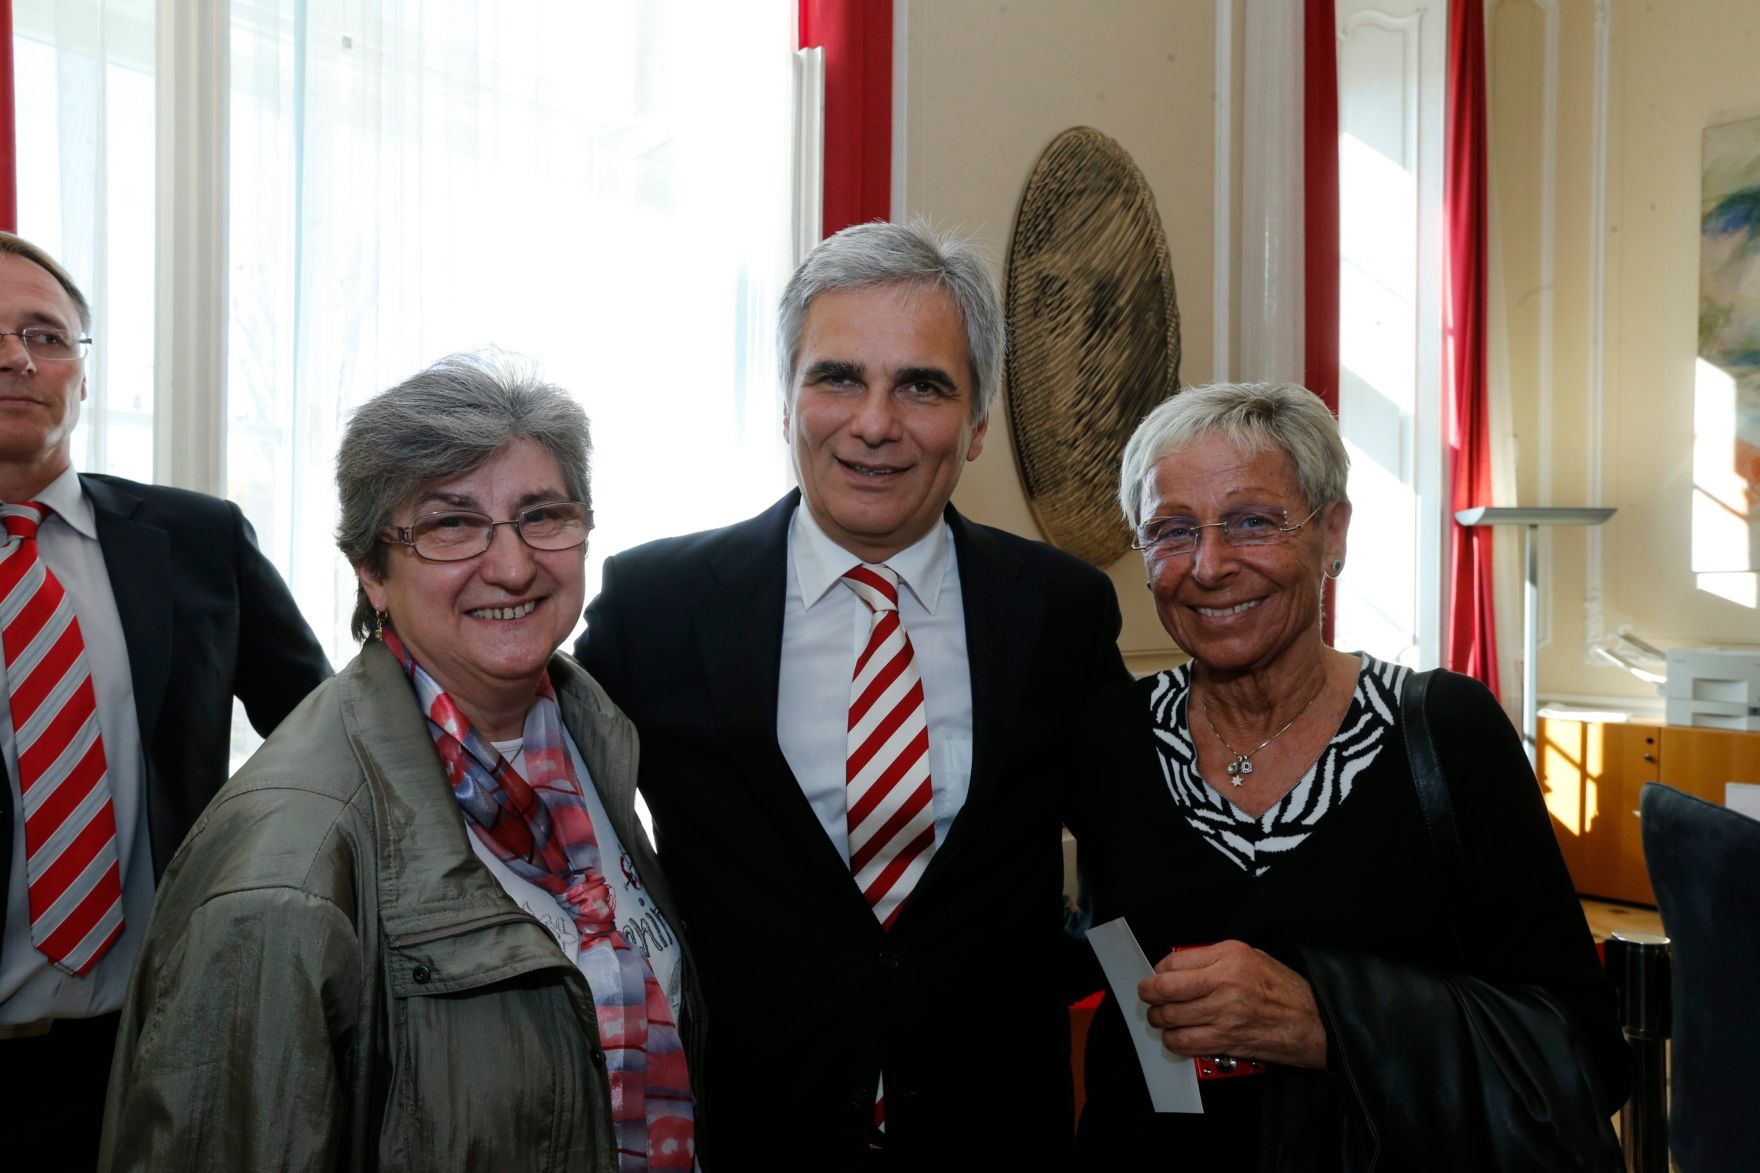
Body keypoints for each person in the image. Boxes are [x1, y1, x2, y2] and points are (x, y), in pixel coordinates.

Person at [576, 219, 1131, 1167]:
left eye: (922, 385)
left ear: (978, 424)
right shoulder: (657, 608)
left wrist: (1145, 1065)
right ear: (787, 402)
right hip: (743, 1129)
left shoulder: (1057, 611)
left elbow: (1133, 854)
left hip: (996, 1128)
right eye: (838, 377)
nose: (876, 421)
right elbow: (543, 819)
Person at [102, 354, 700, 1171]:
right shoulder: (290, 860)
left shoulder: (586, 745)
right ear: (372, 570)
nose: (514, 564)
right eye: (452, 524)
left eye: (543, 514)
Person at [1070, 382, 1629, 1169]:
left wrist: (1333, 1020)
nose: (1209, 564)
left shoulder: (1445, 732)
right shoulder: (1112, 737)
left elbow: (1588, 1050)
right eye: (1171, 530)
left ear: (1333, 534)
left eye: (1253, 521)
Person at [0, 231, 331, 1165]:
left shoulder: (198, 538)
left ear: (84, 375)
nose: (18, 359)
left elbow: (327, 733)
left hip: (156, 1052)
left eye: (46, 335)